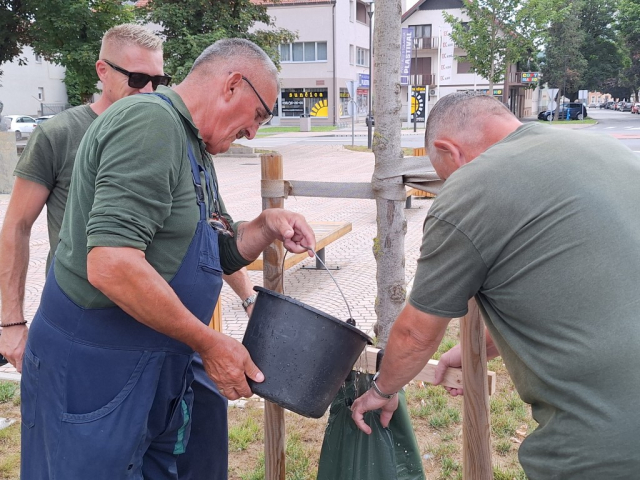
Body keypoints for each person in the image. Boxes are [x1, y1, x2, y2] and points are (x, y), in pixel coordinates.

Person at [24, 36, 309, 480]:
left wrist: (264, 227)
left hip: (156, 362)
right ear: (232, 84)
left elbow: (217, 251)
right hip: (97, 366)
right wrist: (210, 343)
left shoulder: (193, 143)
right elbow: (112, 263)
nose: (254, 132)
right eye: (259, 115)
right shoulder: (150, 123)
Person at [351, 92, 640, 479]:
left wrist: (382, 391)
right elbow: (575, 284)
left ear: (447, 150)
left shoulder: (472, 188)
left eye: (445, 174)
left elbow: (417, 334)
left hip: (605, 444)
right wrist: (479, 347)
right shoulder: (607, 152)